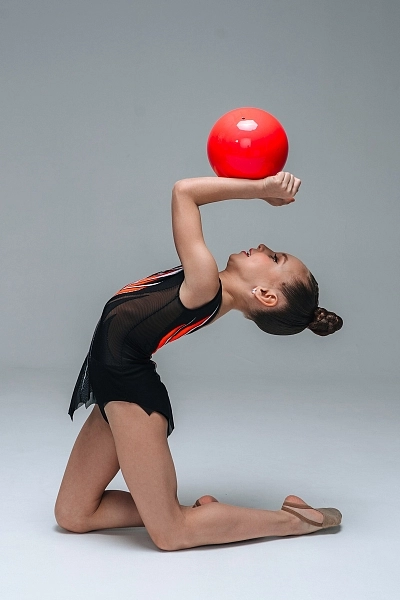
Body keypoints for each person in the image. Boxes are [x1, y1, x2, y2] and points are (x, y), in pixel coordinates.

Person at [55, 172, 343, 551]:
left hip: (132, 397)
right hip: (114, 390)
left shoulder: (204, 284)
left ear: (265, 295)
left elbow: (184, 192)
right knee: (74, 513)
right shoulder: (207, 284)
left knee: (171, 534)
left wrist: (261, 190)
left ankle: (294, 520)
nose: (263, 246)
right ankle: (196, 514)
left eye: (275, 258)